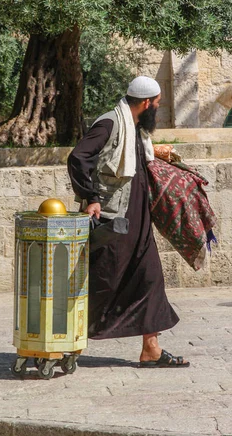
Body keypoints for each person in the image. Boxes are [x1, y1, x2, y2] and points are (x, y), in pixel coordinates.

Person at [67, 76, 189, 367]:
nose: (157, 110)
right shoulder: (110, 123)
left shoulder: (137, 129)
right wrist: (91, 197)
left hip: (138, 218)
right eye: (156, 105)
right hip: (112, 218)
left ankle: (151, 349)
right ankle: (70, 342)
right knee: (103, 280)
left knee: (150, 278)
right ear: (145, 103)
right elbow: (78, 157)